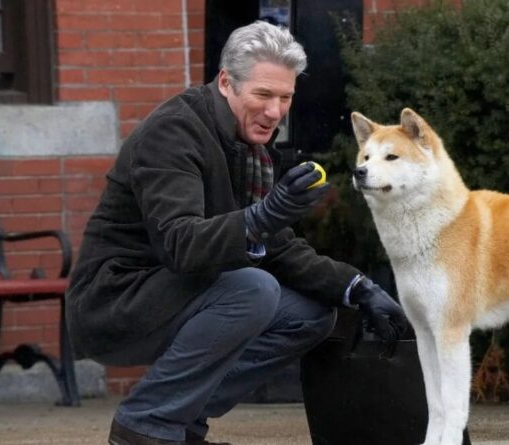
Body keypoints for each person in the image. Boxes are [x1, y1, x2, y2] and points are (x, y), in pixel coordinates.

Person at [64, 21, 408, 445]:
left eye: (285, 98)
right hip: (116, 303)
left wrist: (358, 288)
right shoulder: (174, 132)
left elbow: (278, 247)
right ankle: (146, 425)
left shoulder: (248, 145)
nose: (275, 112)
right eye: (263, 95)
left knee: (311, 315)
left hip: (179, 296)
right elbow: (182, 246)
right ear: (226, 82)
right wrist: (263, 216)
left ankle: (182, 422)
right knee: (252, 289)